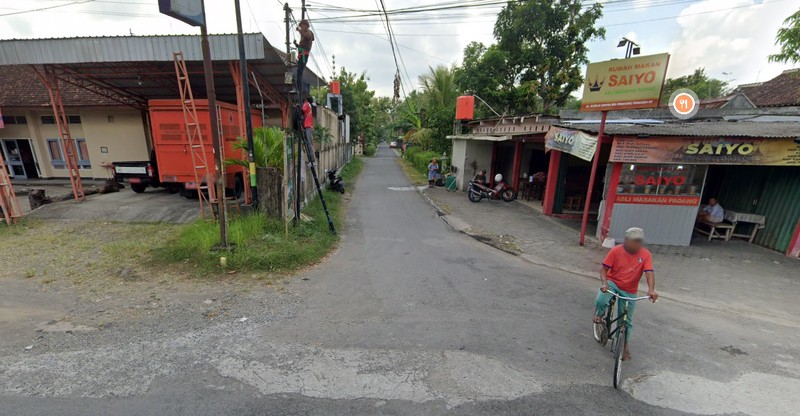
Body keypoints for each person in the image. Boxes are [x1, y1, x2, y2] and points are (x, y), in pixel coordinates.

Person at [593, 227, 658, 361]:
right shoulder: (616, 251)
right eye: (633, 241)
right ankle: (600, 314)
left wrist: (651, 289)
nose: (636, 244)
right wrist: (605, 284)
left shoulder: (645, 254)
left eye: (638, 241)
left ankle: (624, 344)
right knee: (601, 300)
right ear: (626, 240)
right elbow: (604, 270)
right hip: (613, 282)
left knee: (626, 321)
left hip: (630, 289)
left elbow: (649, 273)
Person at [294, 19, 314, 95]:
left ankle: (300, 90)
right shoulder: (303, 35)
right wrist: (296, 44)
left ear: (306, 26)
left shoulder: (309, 33)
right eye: (300, 26)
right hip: (301, 54)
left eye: (302, 26)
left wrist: (299, 30)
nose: (301, 27)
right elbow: (301, 46)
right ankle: (298, 89)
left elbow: (306, 36)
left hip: (304, 55)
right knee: (299, 72)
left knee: (300, 72)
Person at [302, 95, 316, 166]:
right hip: (308, 126)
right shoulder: (310, 106)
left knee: (309, 144)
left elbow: (302, 109)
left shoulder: (306, 104)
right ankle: (312, 160)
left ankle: (313, 161)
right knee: (310, 143)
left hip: (308, 126)